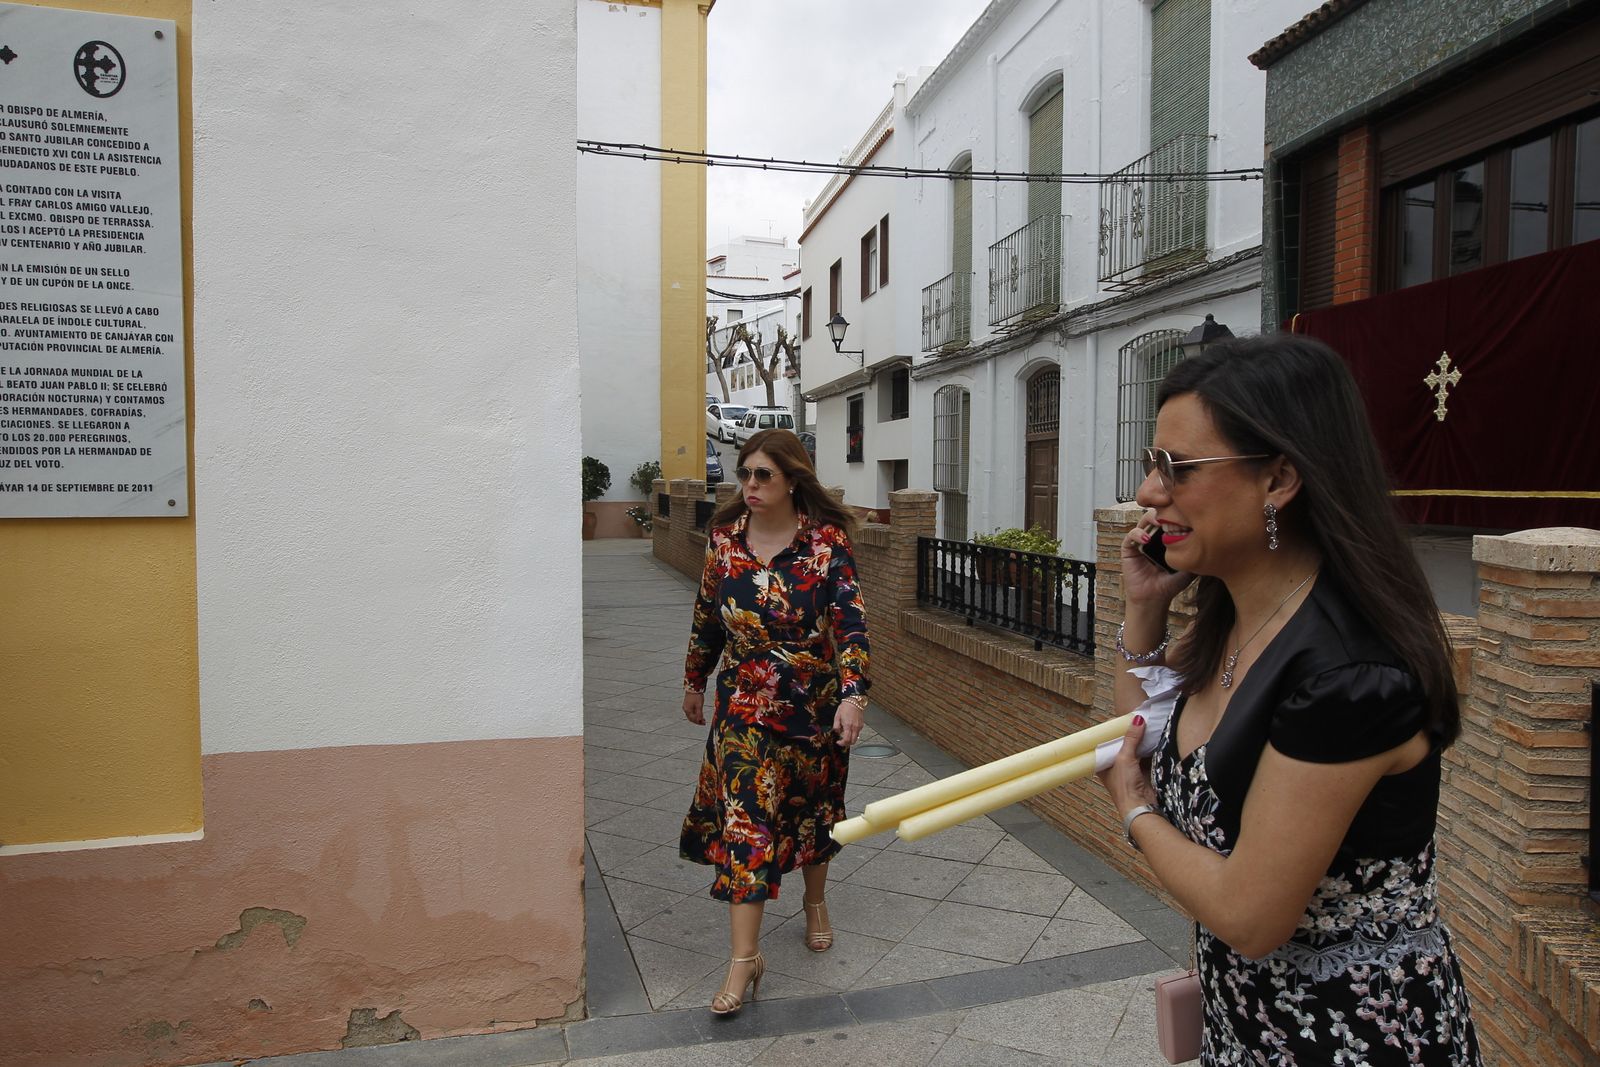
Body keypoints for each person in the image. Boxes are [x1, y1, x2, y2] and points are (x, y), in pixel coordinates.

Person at [1098, 335, 1483, 1064]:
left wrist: (1133, 809)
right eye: (1152, 463)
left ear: (1277, 479)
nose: (1150, 492)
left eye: (1178, 467)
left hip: (1353, 1039)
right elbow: (1142, 736)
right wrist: (1144, 612)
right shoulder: (1237, 618)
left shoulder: (1348, 674)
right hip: (1248, 1026)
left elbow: (1250, 913)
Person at [679, 427, 870, 1017]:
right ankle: (744, 959)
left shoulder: (826, 545)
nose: (751, 486)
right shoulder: (723, 543)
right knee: (747, 826)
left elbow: (852, 625)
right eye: (745, 474)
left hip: (812, 703)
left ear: (792, 480)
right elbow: (708, 617)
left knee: (812, 809)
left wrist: (854, 695)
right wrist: (693, 679)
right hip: (742, 704)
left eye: (764, 475)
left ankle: (815, 903)